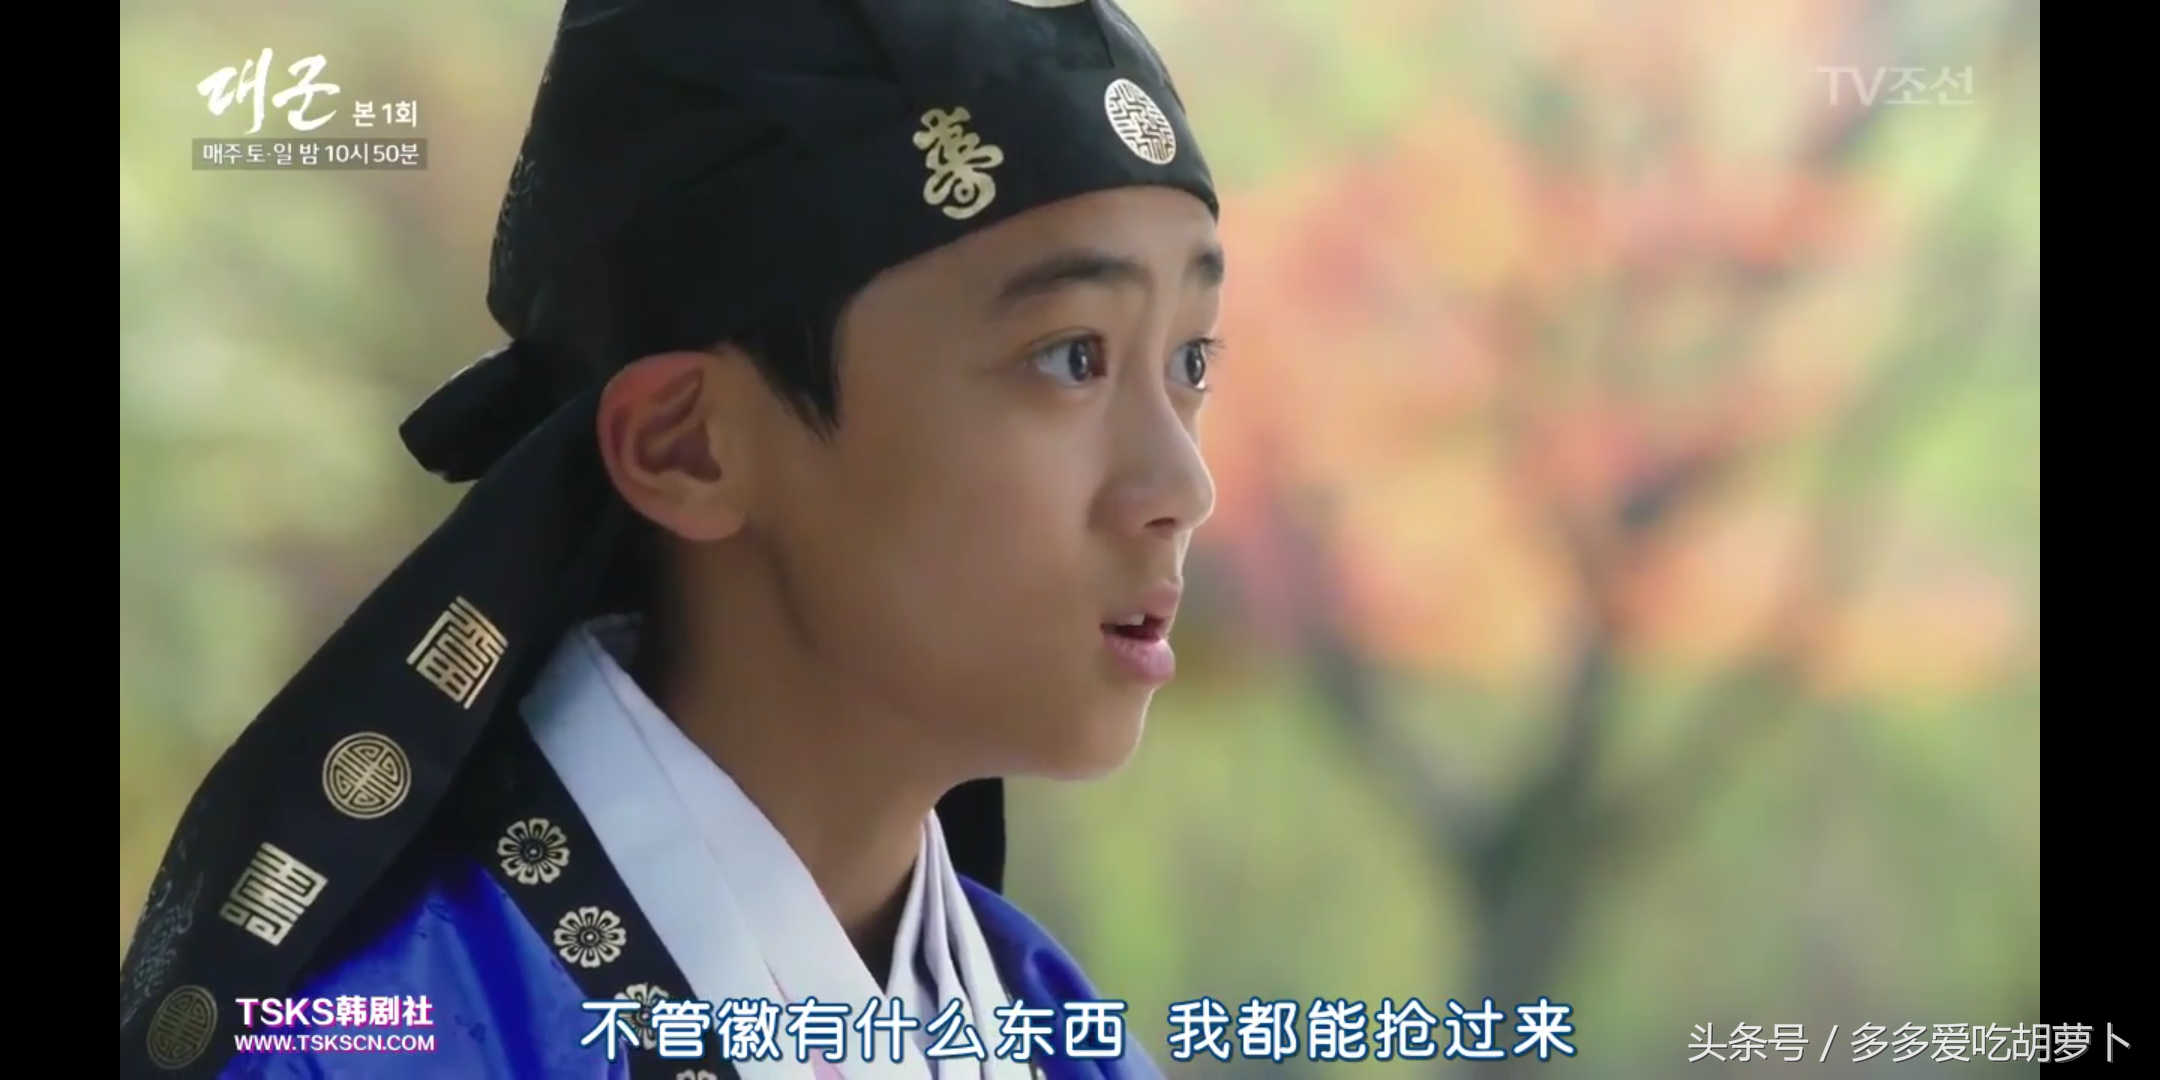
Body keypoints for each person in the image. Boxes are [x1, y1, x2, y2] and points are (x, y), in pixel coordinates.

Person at [119, 0, 1224, 1077]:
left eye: (1191, 362)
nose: (1185, 485)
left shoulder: (1055, 1031)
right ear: (687, 446)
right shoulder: (361, 1044)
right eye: (1072, 356)